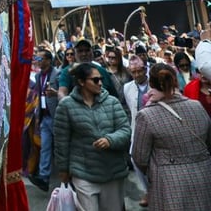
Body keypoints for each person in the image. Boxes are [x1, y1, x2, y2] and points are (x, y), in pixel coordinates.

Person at [132, 63, 211, 210]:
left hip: (167, 181)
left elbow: (139, 157)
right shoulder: (197, 106)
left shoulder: (147, 115)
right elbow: (208, 142)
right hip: (203, 175)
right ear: (175, 81)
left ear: (151, 84)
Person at [53, 63, 130, 211]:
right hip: (83, 172)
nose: (100, 83)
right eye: (95, 80)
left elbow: (125, 130)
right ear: (81, 82)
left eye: (100, 79)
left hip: (112, 171)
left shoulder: (112, 102)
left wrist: (110, 140)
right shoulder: (66, 106)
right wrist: (63, 169)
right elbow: (61, 141)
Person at [28, 49, 59, 192]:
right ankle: (44, 178)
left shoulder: (57, 74)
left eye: (40, 58)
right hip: (44, 118)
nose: (37, 61)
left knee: (61, 148)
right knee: (45, 147)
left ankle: (70, 177)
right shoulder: (39, 75)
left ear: (48, 60)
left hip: (56, 117)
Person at [121, 55, 150, 207]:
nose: (137, 75)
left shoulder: (155, 83)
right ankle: (147, 190)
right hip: (136, 128)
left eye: (140, 71)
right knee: (135, 159)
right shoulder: (127, 88)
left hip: (154, 128)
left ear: (145, 69)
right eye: (134, 72)